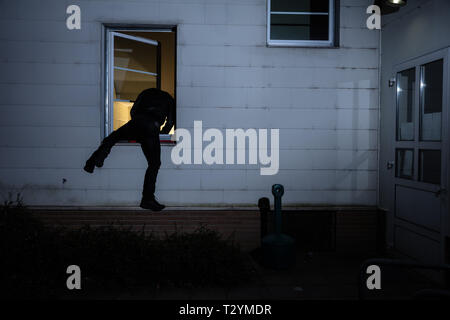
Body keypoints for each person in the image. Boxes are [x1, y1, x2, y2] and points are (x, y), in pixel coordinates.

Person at [84, 88, 175, 211]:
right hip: (151, 126)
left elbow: (133, 111)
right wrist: (160, 133)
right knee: (154, 164)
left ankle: (93, 161)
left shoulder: (145, 92)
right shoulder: (169, 99)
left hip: (137, 122)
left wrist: (137, 125)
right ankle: (147, 199)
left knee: (113, 137)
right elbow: (170, 123)